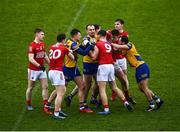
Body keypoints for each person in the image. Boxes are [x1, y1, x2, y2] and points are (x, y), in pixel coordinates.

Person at [111, 36, 164, 111]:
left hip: (142, 67)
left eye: (119, 40)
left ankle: (151, 104)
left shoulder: (130, 44)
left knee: (144, 87)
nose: (118, 41)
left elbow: (119, 47)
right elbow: (117, 51)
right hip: (138, 68)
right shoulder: (124, 50)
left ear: (123, 42)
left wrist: (111, 43)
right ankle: (158, 100)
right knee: (141, 88)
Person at [90, 30, 133, 115]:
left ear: (99, 35)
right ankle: (126, 102)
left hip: (103, 67)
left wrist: (89, 51)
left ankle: (106, 109)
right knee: (114, 87)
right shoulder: (109, 44)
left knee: (102, 89)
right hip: (111, 66)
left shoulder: (98, 44)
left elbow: (94, 57)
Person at [65, 25, 99, 106]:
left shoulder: (96, 37)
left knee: (92, 83)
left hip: (75, 66)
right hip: (87, 64)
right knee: (85, 85)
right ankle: (83, 102)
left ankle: (90, 99)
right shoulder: (84, 40)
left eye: (93, 29)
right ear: (87, 31)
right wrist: (92, 47)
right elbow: (84, 52)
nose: (92, 31)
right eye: (90, 30)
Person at [107, 19, 136, 104]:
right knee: (115, 77)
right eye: (115, 24)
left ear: (122, 25)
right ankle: (115, 92)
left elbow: (125, 45)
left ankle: (126, 94)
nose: (116, 25)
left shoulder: (125, 34)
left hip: (122, 58)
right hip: (114, 60)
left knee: (124, 77)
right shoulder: (111, 32)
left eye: (118, 24)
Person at [26, 28, 51, 114]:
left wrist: (50, 64)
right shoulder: (32, 45)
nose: (43, 36)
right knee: (30, 88)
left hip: (41, 70)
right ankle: (28, 103)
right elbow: (30, 59)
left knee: (46, 87)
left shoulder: (42, 44)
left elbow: (45, 55)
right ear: (37, 35)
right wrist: (39, 66)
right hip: (33, 70)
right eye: (42, 34)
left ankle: (45, 105)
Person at [48, 34, 74, 119]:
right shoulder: (64, 48)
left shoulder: (52, 46)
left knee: (63, 89)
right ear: (63, 40)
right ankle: (56, 113)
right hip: (57, 72)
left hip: (51, 71)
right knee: (60, 94)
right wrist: (70, 51)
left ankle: (58, 110)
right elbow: (72, 57)